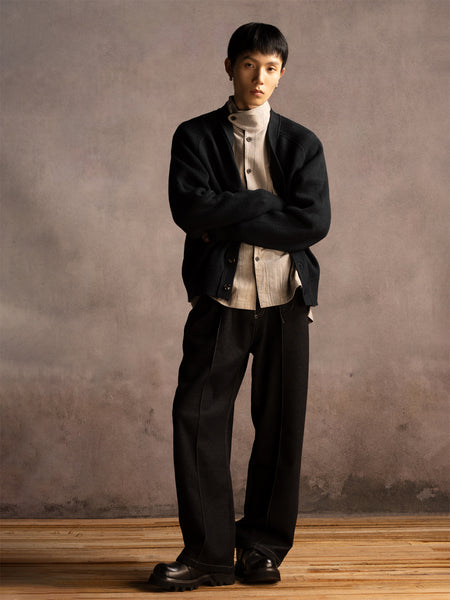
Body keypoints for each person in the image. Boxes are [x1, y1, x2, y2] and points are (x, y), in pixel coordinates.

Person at [149, 22, 330, 592]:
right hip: (220, 298)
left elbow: (313, 222)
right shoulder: (193, 136)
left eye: (271, 67)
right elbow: (190, 210)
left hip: (286, 299)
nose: (259, 77)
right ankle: (208, 555)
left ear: (282, 74)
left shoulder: (302, 143)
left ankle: (261, 549)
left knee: (280, 426)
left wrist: (226, 216)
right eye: (250, 64)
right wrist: (265, 203)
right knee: (197, 418)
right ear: (229, 67)